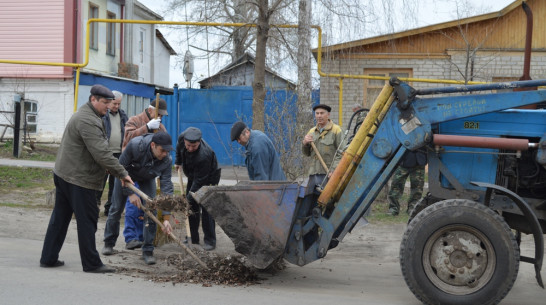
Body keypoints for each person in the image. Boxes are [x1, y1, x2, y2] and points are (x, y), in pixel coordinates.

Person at [40, 84, 134, 273]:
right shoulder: (87, 120)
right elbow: (101, 152)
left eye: (110, 103)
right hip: (78, 179)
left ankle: (48, 258)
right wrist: (122, 173)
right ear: (93, 100)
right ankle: (92, 263)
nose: (108, 106)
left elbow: (93, 151)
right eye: (105, 103)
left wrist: (110, 169)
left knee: (60, 218)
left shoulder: (90, 115)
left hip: (66, 174)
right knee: (87, 220)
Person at [102, 132, 174, 265]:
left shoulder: (166, 160)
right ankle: (108, 242)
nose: (165, 154)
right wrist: (130, 193)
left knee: (150, 211)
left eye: (167, 151)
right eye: (162, 150)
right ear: (153, 145)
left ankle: (147, 250)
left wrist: (166, 218)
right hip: (125, 176)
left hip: (147, 177)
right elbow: (120, 168)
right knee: (116, 209)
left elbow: (167, 188)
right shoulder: (135, 146)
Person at [118, 97, 169, 249]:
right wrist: (146, 127)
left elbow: (164, 147)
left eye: (162, 116)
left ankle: (143, 238)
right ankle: (130, 238)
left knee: (148, 206)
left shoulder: (161, 128)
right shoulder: (134, 120)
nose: (160, 118)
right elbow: (127, 138)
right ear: (151, 110)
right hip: (129, 169)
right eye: (159, 114)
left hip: (147, 171)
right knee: (130, 206)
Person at [175, 127, 221, 251]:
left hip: (208, 178)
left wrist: (187, 199)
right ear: (184, 140)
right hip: (193, 173)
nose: (190, 148)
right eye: (188, 145)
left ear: (199, 142)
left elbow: (199, 183)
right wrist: (178, 162)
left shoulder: (204, 155)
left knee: (206, 206)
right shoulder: (181, 139)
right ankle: (193, 237)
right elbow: (179, 150)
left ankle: (210, 241)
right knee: (191, 207)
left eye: (194, 146)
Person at [302, 104, 343, 192]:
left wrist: (334, 170)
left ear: (328, 115)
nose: (319, 116)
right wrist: (305, 143)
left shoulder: (336, 130)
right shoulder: (312, 131)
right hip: (314, 173)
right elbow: (307, 153)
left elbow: (342, 153)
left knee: (327, 200)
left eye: (322, 113)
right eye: (317, 113)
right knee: (312, 200)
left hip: (328, 174)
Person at [100, 90, 129, 216]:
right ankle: (95, 205)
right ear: (109, 102)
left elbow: (127, 132)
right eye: (114, 103)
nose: (116, 106)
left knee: (115, 184)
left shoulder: (123, 115)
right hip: (105, 153)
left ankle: (110, 208)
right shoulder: (102, 115)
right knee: (100, 181)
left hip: (119, 154)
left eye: (118, 104)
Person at [388, 149, 427, 216]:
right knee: (396, 186)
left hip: (419, 161)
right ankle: (393, 209)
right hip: (404, 160)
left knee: (417, 189)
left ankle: (413, 209)